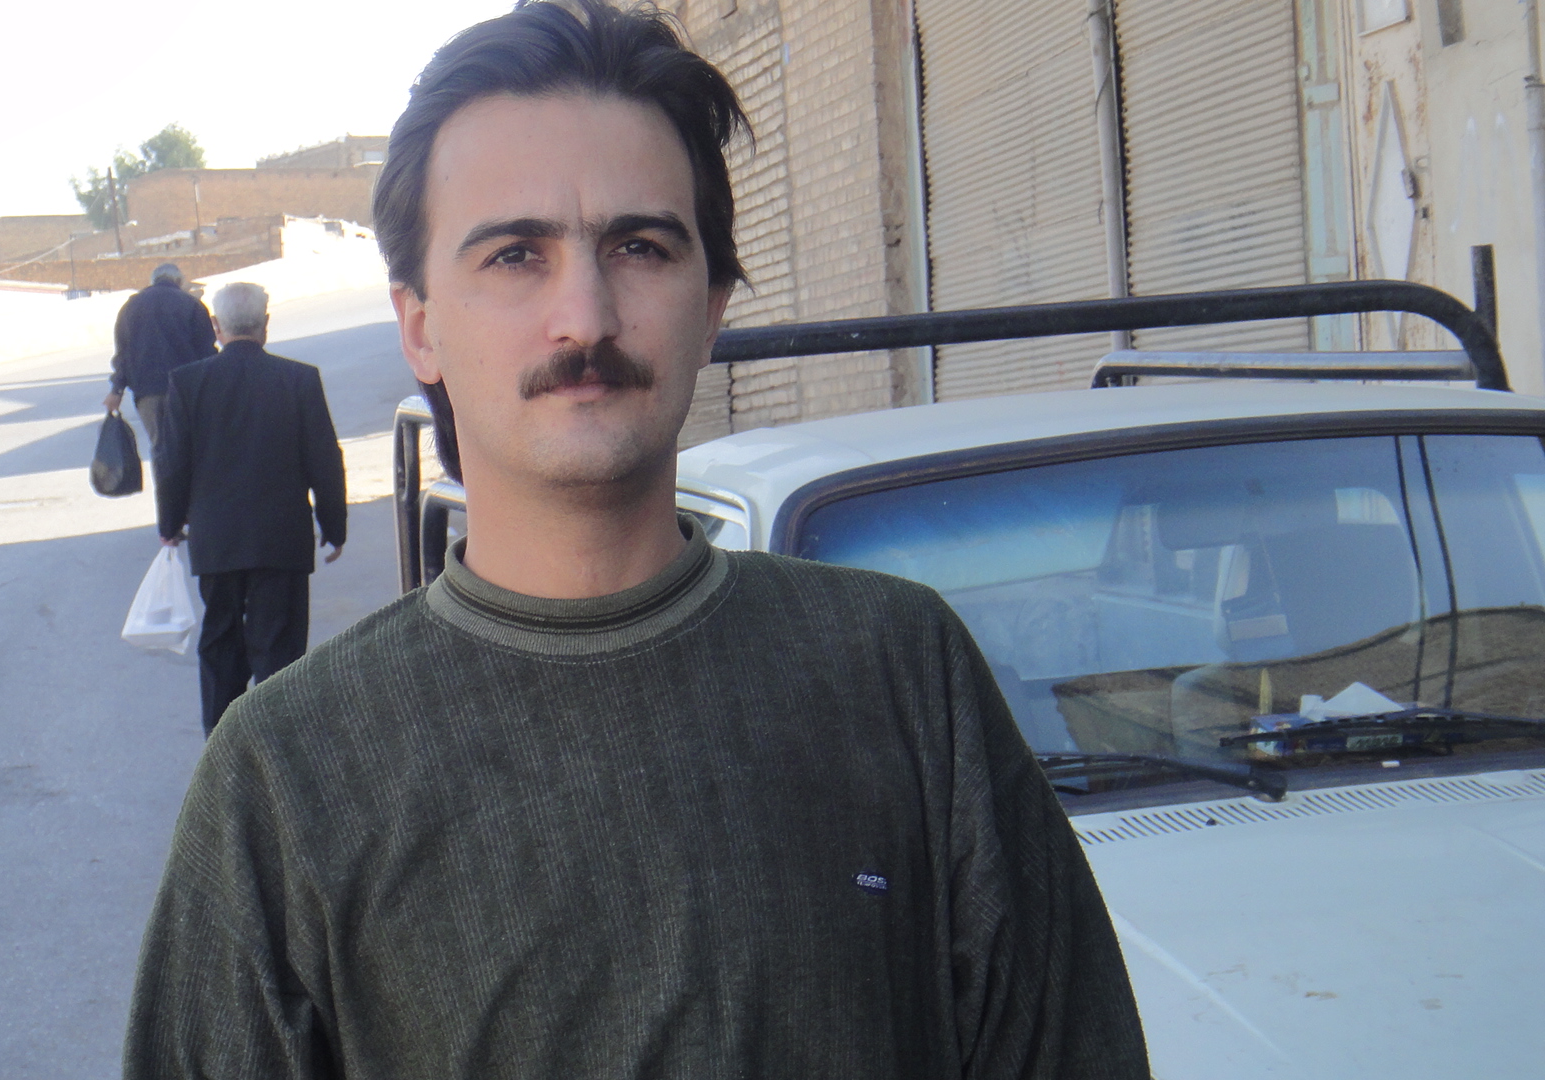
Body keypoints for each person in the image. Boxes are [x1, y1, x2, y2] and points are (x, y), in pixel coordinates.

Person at [125, 3, 1149, 1078]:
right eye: (516, 255)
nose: (586, 315)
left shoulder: (901, 673)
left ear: (712, 306)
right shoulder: (287, 776)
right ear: (420, 324)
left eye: (640, 247)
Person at [153, 282, 347, 736]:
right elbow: (324, 458)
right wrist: (333, 526)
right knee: (279, 652)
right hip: (281, 541)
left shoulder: (187, 383)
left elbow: (172, 462)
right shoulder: (299, 379)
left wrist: (170, 524)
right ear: (265, 324)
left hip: (216, 542)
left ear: (216, 327)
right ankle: (279, 749)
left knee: (220, 645)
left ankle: (223, 754)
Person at [104, 262, 216, 452]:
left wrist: (116, 390)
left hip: (147, 392)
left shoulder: (130, 307)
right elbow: (207, 352)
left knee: (160, 447)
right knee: (191, 446)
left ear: (153, 281)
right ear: (178, 281)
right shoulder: (192, 304)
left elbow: (123, 353)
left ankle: (163, 473)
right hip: (185, 390)